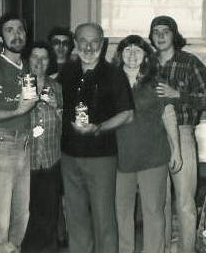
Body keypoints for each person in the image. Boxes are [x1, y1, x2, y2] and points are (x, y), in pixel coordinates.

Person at [59, 22, 134, 253]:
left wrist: (99, 127)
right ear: (75, 43)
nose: (88, 46)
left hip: (101, 157)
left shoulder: (114, 74)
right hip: (69, 156)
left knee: (104, 218)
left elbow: (127, 115)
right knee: (75, 216)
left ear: (102, 44)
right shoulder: (67, 72)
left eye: (94, 41)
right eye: (83, 41)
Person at [148, 15, 206, 253]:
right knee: (158, 202)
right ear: (151, 37)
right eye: (156, 32)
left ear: (174, 35)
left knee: (185, 203)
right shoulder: (147, 63)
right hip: (152, 138)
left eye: (166, 31)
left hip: (182, 133)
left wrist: (178, 95)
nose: (161, 36)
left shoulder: (190, 62)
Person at [115, 35, 182, 253]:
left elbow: (169, 115)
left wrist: (176, 151)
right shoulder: (109, 81)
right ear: (120, 54)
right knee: (121, 212)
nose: (132, 55)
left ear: (145, 56)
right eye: (127, 50)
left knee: (153, 211)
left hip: (153, 156)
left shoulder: (157, 82)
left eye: (137, 50)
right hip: (118, 158)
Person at [0, 13, 37, 253]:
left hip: (24, 144)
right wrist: (18, 109)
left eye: (20, 29)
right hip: (2, 144)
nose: (16, 35)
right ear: (1, 36)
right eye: (9, 30)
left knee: (21, 216)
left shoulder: (27, 68)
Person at [21, 41, 63, 253]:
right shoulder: (17, 85)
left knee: (48, 215)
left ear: (50, 62)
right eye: (34, 57)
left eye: (44, 58)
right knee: (25, 216)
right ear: (28, 60)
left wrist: (57, 108)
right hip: (22, 161)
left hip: (50, 160)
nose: (38, 62)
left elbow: (71, 126)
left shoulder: (57, 88)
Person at [48, 26, 74, 247]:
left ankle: (69, 234)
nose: (61, 47)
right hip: (46, 137)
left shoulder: (77, 68)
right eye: (56, 42)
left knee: (69, 189)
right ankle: (56, 234)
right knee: (50, 189)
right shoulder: (41, 66)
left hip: (71, 135)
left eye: (66, 42)